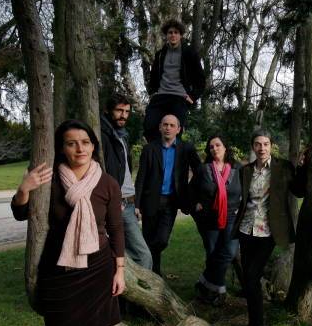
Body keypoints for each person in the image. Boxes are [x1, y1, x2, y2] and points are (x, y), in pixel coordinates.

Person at [11, 120, 125, 326]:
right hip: (59, 270)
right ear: (62, 148)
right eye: (71, 143)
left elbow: (116, 229)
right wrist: (24, 190)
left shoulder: (107, 183)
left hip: (99, 267)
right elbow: (21, 213)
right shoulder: (48, 181)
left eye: (85, 143)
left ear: (94, 146)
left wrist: (120, 270)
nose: (80, 149)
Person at [232, 129, 306, 326]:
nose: (262, 148)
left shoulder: (283, 167)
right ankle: (252, 324)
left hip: (269, 231)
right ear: (253, 147)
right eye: (257, 144)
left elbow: (299, 191)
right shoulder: (245, 171)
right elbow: (244, 200)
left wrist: (302, 167)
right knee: (248, 279)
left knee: (252, 276)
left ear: (271, 146)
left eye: (265, 144)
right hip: (246, 229)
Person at [135, 114, 201, 275]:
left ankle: (149, 267)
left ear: (178, 129)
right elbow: (141, 178)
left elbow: (200, 171)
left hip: (172, 201)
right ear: (160, 127)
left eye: (172, 125)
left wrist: (192, 194)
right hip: (150, 200)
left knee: (161, 240)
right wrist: (136, 204)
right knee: (148, 238)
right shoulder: (149, 148)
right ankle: (154, 274)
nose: (168, 128)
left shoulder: (186, 148)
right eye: (165, 125)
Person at [100, 92, 153, 269]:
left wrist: (134, 203)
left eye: (127, 111)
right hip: (118, 203)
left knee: (126, 256)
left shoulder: (122, 135)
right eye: (119, 110)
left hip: (128, 203)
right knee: (143, 256)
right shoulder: (102, 135)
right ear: (107, 110)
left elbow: (126, 172)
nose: (123, 115)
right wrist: (113, 202)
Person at [190, 135, 242, 305]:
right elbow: (190, 191)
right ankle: (218, 290)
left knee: (230, 251)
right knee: (212, 252)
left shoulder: (238, 169)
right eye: (211, 147)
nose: (215, 149)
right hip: (208, 219)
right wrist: (196, 204)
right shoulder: (203, 169)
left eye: (218, 145)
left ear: (225, 147)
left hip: (232, 216)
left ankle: (204, 281)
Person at [144, 18, 205, 142]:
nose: (173, 35)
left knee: (174, 134)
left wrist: (192, 97)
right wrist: (153, 92)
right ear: (166, 35)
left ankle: (172, 160)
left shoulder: (189, 53)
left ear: (181, 35)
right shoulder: (160, 54)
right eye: (170, 32)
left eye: (176, 32)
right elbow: (154, 76)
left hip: (179, 98)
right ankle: (157, 157)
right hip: (161, 96)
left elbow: (201, 80)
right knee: (149, 127)